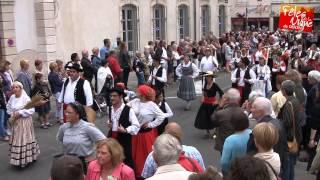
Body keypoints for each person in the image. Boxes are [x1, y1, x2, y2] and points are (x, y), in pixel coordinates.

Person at [127, 85, 165, 177]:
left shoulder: (152, 105)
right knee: (135, 153)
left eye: (138, 91)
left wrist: (150, 124)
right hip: (135, 133)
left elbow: (161, 116)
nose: (136, 92)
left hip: (145, 135)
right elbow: (125, 109)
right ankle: (137, 172)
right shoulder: (134, 102)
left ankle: (148, 172)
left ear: (143, 94)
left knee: (146, 153)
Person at [56, 103, 106, 172]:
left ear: (77, 115)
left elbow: (104, 141)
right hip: (69, 163)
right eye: (66, 112)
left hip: (85, 164)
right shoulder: (64, 127)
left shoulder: (87, 127)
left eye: (69, 113)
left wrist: (97, 153)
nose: (66, 114)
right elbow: (61, 139)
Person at [247, 97, 287, 176]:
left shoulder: (260, 129)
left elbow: (250, 151)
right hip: (277, 168)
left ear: (261, 112)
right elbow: (285, 150)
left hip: (261, 171)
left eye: (253, 107)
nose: (251, 110)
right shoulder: (279, 123)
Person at [7, 81, 40, 167]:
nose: (15, 89)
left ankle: (26, 159)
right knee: (16, 140)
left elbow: (32, 110)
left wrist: (21, 113)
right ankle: (18, 159)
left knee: (24, 139)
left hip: (24, 122)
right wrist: (12, 114)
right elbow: (9, 107)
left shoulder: (26, 98)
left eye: (17, 87)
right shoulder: (12, 98)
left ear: (21, 88)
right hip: (16, 122)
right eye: (13, 87)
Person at [107, 87, 140, 169]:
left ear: (121, 96)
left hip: (124, 140)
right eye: (111, 96)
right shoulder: (110, 109)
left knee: (125, 162)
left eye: (114, 96)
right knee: (112, 161)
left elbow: (136, 126)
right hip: (112, 139)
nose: (112, 98)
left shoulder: (128, 110)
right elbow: (113, 120)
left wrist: (125, 130)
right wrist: (110, 124)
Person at [278, 80, 303, 180]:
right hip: (296, 135)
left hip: (289, 137)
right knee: (291, 164)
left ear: (283, 90)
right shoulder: (295, 101)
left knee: (287, 165)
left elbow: (287, 123)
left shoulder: (289, 104)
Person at [210, 88, 242, 154]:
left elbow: (213, 120)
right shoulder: (243, 112)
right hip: (239, 143)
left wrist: (220, 106)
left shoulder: (221, 113)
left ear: (227, 100)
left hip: (225, 143)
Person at [220, 108, 252, 174]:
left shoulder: (230, 140)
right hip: (251, 169)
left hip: (235, 171)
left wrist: (228, 171)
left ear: (232, 124)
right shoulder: (253, 134)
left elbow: (224, 162)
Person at [194, 71, 223, 135]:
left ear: (211, 78)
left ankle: (215, 131)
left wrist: (218, 101)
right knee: (204, 117)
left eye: (208, 77)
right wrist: (202, 97)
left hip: (212, 104)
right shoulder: (205, 84)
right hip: (205, 103)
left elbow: (221, 93)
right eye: (206, 77)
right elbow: (204, 91)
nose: (207, 78)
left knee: (213, 118)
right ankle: (207, 132)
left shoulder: (215, 85)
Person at [0, 75, 8, 141]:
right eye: (0, 78)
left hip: (3, 106)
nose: (1, 79)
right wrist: (4, 105)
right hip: (1, 107)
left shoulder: (1, 87)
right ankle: (4, 135)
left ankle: (2, 134)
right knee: (1, 121)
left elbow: (5, 83)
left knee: (2, 121)